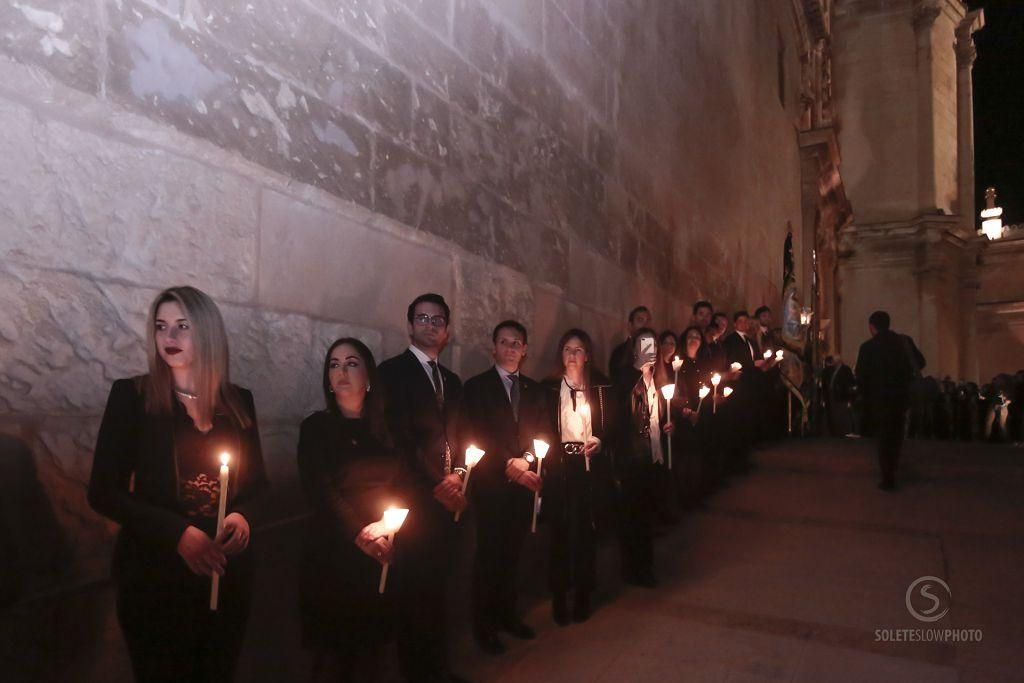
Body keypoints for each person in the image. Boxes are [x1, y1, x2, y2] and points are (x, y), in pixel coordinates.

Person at [88, 286, 269, 682]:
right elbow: (103, 491)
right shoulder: (132, 397)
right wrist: (177, 533)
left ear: (206, 332)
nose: (169, 338)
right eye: (161, 326)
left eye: (182, 326)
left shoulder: (238, 402)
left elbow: (258, 487)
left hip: (225, 574)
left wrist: (242, 516)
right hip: (156, 575)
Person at [297, 338, 409, 682]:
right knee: (336, 650)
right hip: (335, 551)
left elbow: (404, 485)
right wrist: (360, 533)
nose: (341, 371)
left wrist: (390, 526)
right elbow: (320, 488)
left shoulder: (388, 429)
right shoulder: (317, 428)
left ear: (369, 376)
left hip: (381, 547)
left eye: (351, 363)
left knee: (372, 646)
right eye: (334, 364)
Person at [377, 293, 467, 683]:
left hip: (449, 498)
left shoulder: (451, 379)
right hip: (414, 498)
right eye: (422, 318)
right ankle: (417, 673)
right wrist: (438, 482)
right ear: (410, 325)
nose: (430, 325)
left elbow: (462, 434)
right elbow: (397, 436)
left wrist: (461, 473)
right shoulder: (391, 372)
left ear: (446, 331)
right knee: (413, 593)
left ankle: (438, 669)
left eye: (437, 320)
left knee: (437, 590)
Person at [460, 321, 555, 655]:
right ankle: (484, 625)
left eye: (517, 342)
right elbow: (474, 435)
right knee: (489, 557)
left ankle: (507, 614)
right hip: (491, 487)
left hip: (523, 487)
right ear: (494, 347)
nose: (511, 348)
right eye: (504, 342)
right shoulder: (475, 388)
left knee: (513, 555)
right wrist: (508, 467)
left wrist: (527, 460)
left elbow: (544, 430)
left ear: (525, 349)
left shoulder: (535, 390)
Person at [542, 329, 616, 626]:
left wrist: (599, 440)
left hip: (589, 466)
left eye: (578, 350)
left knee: (585, 532)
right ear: (561, 355)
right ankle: (560, 594)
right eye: (567, 350)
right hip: (560, 467)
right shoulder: (548, 388)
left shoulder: (600, 387)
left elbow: (611, 423)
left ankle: (584, 591)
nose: (573, 355)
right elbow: (541, 425)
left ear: (588, 355)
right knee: (559, 532)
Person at [612, 328, 672, 587]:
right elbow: (621, 414)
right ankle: (633, 568)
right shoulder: (627, 379)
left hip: (653, 455)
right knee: (632, 515)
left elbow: (659, 415)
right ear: (634, 349)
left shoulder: (658, 379)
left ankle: (644, 565)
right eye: (643, 345)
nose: (650, 351)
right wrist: (638, 372)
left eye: (653, 346)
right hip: (632, 457)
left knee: (646, 515)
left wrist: (670, 425)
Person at [855, 311, 918, 490]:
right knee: (896, 433)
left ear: (872, 327)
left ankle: (887, 474)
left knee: (883, 437)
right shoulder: (904, 342)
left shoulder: (867, 347)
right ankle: (894, 463)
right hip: (900, 396)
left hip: (878, 399)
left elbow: (861, 375)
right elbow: (920, 362)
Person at [608, 306, 652, 376]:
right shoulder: (620, 353)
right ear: (630, 325)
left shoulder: (655, 352)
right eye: (640, 320)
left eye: (648, 321)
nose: (645, 325)